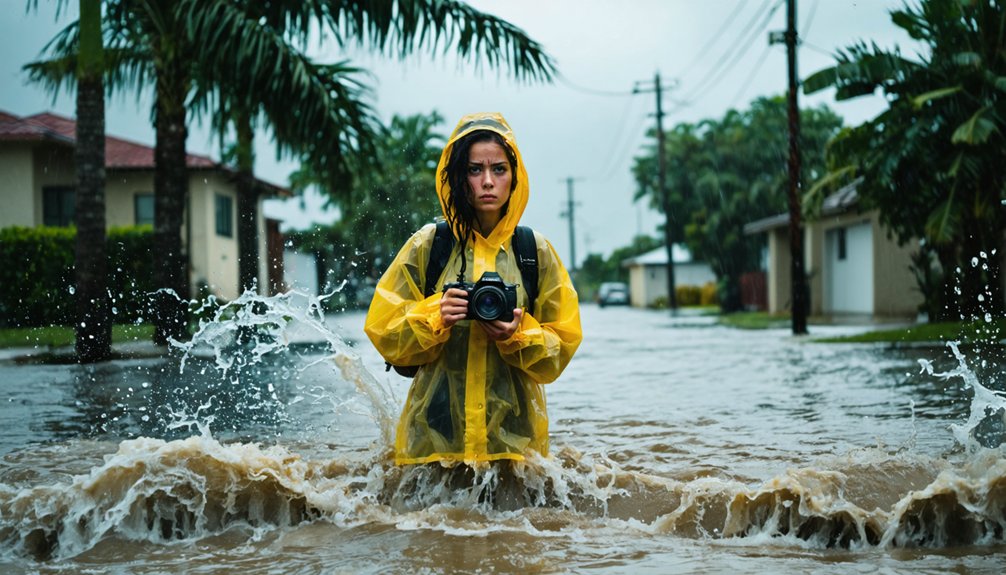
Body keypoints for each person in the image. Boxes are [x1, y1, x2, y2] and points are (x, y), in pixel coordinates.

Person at [364, 112, 582, 466]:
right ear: (457, 176)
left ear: (515, 177)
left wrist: (517, 335)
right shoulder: (429, 244)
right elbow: (383, 330)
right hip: (432, 447)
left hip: (515, 450)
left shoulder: (534, 251)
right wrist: (434, 316)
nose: (488, 182)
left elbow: (561, 349)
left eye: (499, 169)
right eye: (474, 169)